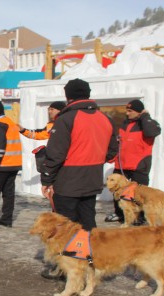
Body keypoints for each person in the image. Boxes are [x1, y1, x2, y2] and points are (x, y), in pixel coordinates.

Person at [40, 78, 118, 232]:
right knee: (88, 220)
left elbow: (56, 154)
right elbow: (112, 151)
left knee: (66, 225)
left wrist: (47, 179)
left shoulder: (65, 119)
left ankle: (70, 253)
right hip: (93, 178)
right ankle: (89, 252)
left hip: (68, 181)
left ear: (68, 97)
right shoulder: (105, 119)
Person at [105, 99, 161, 224]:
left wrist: (145, 116)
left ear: (139, 112)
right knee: (117, 190)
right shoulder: (125, 124)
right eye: (127, 110)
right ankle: (119, 213)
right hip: (122, 164)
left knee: (139, 193)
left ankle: (139, 217)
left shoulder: (148, 123)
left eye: (130, 111)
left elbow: (152, 132)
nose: (127, 113)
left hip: (139, 164)